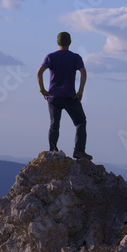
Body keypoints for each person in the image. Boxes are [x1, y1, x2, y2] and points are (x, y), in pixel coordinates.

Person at [37, 31, 92, 160]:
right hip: (70, 97)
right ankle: (79, 151)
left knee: (54, 124)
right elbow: (83, 73)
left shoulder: (51, 56)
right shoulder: (76, 57)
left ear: (58, 42)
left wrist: (42, 90)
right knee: (80, 122)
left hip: (53, 97)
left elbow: (39, 73)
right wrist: (80, 91)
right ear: (70, 42)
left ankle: (52, 151)